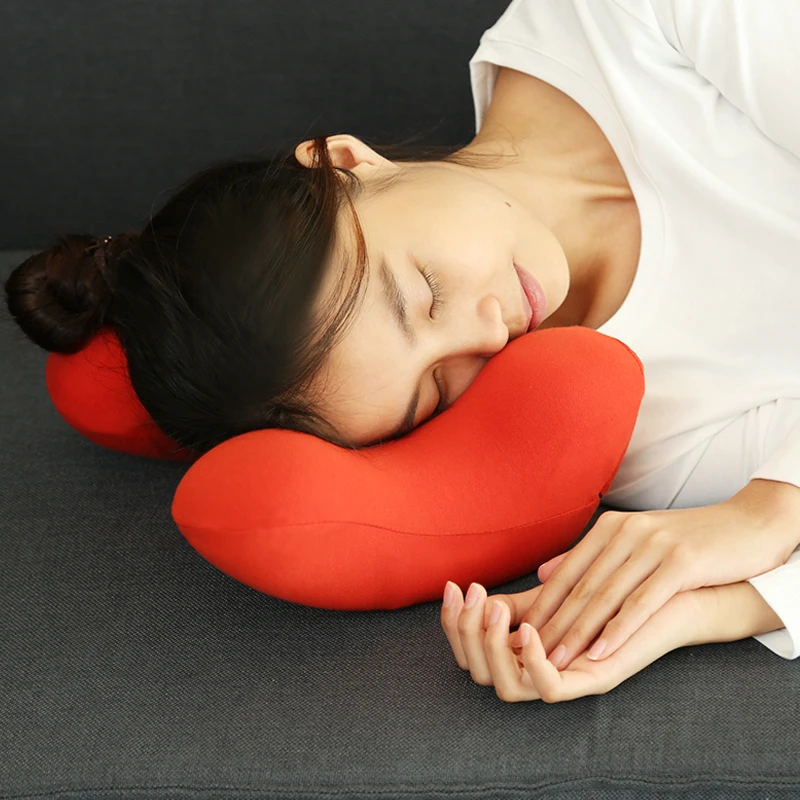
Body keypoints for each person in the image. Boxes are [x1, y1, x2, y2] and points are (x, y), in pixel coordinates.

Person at [4, 0, 800, 703]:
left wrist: (768, 512)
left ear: (344, 161)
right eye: (435, 391)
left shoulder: (616, 21)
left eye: (422, 291)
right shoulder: (646, 436)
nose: (488, 335)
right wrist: (709, 608)